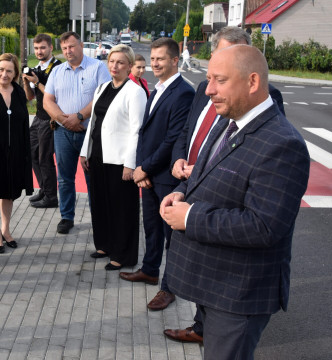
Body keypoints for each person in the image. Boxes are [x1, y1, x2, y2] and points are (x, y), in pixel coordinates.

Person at [160, 45, 310, 360]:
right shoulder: (227, 119)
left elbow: (264, 226)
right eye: (209, 79)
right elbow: (206, 171)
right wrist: (183, 191)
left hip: (238, 294)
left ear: (252, 82)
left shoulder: (283, 144)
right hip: (214, 284)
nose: (209, 90)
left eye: (220, 80)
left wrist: (190, 218)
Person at [118, 38, 194, 307]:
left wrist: (144, 168)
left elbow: (173, 139)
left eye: (161, 58)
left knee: (171, 237)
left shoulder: (183, 92)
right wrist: (141, 168)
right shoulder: (157, 88)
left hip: (165, 178)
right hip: (149, 173)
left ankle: (169, 288)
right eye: (153, 58)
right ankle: (150, 271)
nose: (155, 63)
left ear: (175, 60)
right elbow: (145, 132)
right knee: (151, 228)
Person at [79, 45, 146, 271]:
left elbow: (137, 130)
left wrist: (130, 163)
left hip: (119, 160)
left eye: (120, 62)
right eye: (111, 61)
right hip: (98, 155)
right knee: (100, 203)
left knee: (121, 208)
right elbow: (94, 123)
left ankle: (123, 255)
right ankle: (105, 245)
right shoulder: (102, 88)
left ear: (129, 66)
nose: (114, 66)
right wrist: (84, 151)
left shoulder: (135, 92)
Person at [44, 31, 111, 234]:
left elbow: (102, 96)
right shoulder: (56, 71)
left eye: (72, 46)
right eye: (64, 48)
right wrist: (65, 120)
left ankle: (99, 217)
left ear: (81, 45)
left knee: (93, 177)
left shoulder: (98, 67)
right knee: (64, 178)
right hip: (63, 132)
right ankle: (66, 217)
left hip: (89, 132)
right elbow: (48, 101)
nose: (68, 51)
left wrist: (79, 117)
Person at [0, 53, 33, 253]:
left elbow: (23, 124)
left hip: (15, 152)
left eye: (9, 70)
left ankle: (6, 229)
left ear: (15, 73)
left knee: (9, 193)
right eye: (1, 69)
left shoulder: (19, 93)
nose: (4, 74)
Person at [22, 33, 61, 209]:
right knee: (31, 154)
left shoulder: (58, 68)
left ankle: (52, 196)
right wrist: (26, 82)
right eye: (36, 48)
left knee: (45, 157)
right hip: (38, 116)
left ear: (51, 48)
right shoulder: (37, 67)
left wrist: (37, 82)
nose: (39, 51)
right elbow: (30, 97)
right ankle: (44, 189)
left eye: (43, 47)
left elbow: (55, 96)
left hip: (51, 118)